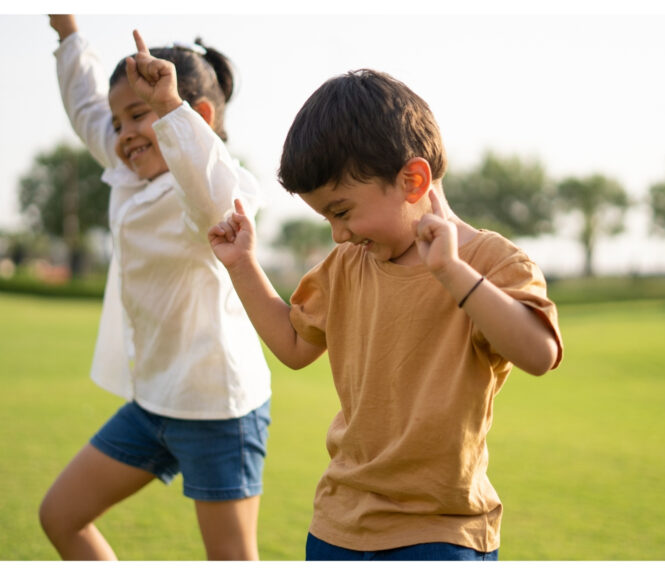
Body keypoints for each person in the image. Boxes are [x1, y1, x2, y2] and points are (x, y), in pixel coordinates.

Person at [208, 68, 564, 561]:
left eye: (343, 211)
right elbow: (293, 347)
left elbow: (539, 353)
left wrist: (452, 272)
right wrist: (243, 265)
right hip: (339, 524)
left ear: (412, 180)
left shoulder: (492, 265)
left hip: (442, 532)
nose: (338, 233)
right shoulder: (347, 266)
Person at [39, 15, 271, 561]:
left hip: (217, 409)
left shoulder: (210, 191)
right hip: (153, 403)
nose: (122, 135)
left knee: (233, 563)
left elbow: (215, 197)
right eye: (119, 124)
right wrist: (68, 31)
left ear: (199, 118)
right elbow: (88, 110)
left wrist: (168, 108)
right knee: (61, 516)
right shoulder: (128, 173)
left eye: (138, 115)